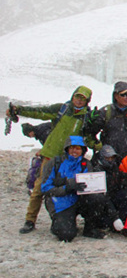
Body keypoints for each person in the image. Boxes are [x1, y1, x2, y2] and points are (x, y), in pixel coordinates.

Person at [7, 85, 95, 234]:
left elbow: (89, 137)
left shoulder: (88, 117)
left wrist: (101, 147)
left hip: (71, 157)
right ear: (73, 96)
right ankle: (30, 220)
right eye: (77, 97)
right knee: (39, 187)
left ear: (87, 101)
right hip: (51, 154)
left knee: (72, 187)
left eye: (83, 99)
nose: (79, 101)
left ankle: (65, 216)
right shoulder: (62, 109)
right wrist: (19, 110)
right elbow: (40, 112)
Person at [41, 136, 111, 241]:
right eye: (72, 148)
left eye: (78, 148)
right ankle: (59, 224)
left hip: (78, 200)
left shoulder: (85, 164)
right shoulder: (55, 163)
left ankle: (90, 228)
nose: (74, 151)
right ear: (67, 149)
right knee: (66, 235)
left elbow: (91, 186)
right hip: (60, 203)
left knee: (97, 198)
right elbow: (45, 188)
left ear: (82, 150)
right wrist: (67, 187)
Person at [86, 81, 127, 158]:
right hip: (109, 155)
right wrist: (96, 145)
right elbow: (91, 132)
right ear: (116, 96)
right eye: (123, 95)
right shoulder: (106, 112)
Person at [91, 144, 127, 230]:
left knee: (124, 193)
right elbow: (104, 196)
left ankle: (122, 220)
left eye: (112, 158)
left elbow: (120, 177)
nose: (110, 160)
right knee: (105, 222)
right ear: (101, 157)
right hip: (103, 204)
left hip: (111, 198)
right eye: (107, 158)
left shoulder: (113, 167)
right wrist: (115, 217)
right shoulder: (97, 171)